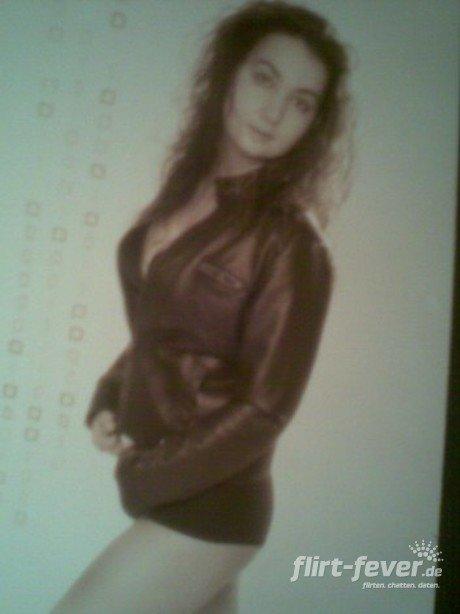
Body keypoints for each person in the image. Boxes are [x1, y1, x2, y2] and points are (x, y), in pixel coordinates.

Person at [51, 1, 353, 612]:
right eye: (265, 78)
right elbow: (165, 333)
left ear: (313, 123)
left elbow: (266, 409)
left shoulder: (291, 243)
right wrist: (111, 392)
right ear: (229, 73)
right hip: (175, 496)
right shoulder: (183, 195)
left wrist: (147, 475)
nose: (274, 112)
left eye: (301, 102)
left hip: (214, 509)